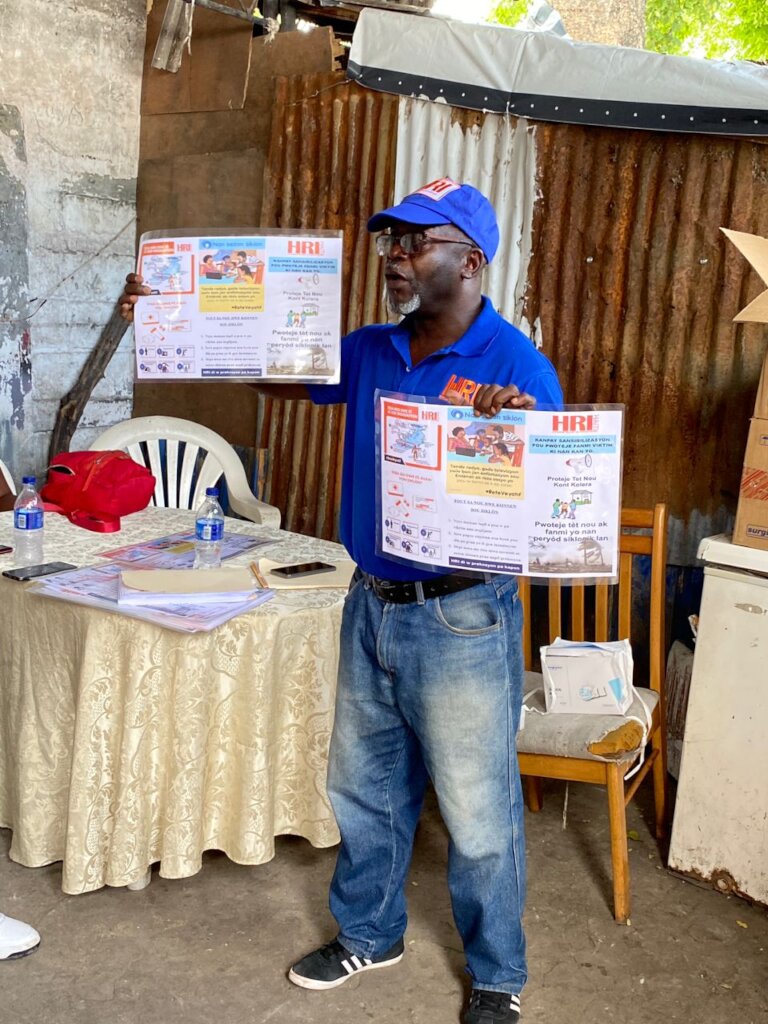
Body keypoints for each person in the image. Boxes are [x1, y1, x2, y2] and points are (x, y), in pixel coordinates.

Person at [119, 178, 563, 1024]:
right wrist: (173, 317)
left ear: (471, 261)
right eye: (391, 241)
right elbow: (279, 376)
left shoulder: (516, 367)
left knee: (477, 812)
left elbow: (546, 509)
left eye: (416, 243)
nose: (395, 257)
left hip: (461, 617)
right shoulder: (371, 349)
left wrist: (515, 430)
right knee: (365, 787)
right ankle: (370, 933)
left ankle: (498, 974)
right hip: (370, 600)